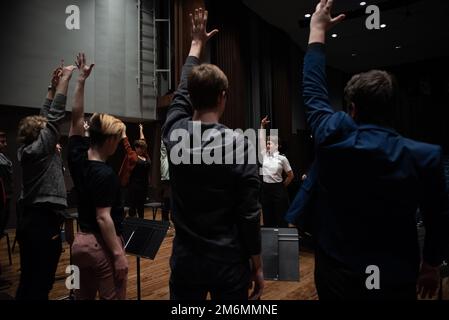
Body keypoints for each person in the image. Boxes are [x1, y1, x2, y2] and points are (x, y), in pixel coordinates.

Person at [301, 0, 449, 300]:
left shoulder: (331, 139)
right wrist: (431, 265)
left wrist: (317, 32)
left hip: (337, 271)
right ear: (393, 109)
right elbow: (438, 219)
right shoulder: (427, 156)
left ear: (352, 108)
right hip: (396, 272)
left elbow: (313, 91)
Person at [162, 8, 264, 300]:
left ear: (191, 98)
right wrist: (256, 263)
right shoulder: (240, 145)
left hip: (185, 262)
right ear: (222, 97)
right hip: (228, 263)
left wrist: (195, 46)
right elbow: (248, 214)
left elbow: (182, 92)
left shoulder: (174, 134)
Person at [67, 53, 128, 300]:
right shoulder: (105, 174)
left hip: (79, 244)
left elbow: (76, 118)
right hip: (101, 245)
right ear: (111, 140)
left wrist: (81, 81)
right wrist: (118, 254)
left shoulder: (78, 155)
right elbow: (103, 218)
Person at [15, 64, 76, 300]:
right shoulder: (41, 147)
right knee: (40, 284)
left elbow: (44, 118)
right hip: (42, 223)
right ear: (41, 136)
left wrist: (51, 87)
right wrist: (65, 81)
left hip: (31, 221)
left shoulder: (28, 148)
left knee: (29, 281)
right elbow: (54, 116)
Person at [259, 116, 294, 227]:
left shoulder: (282, 158)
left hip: (278, 189)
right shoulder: (264, 155)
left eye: (270, 143)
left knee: (280, 216)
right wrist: (262, 125)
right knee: (268, 217)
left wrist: (282, 186)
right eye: (267, 143)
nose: (268, 145)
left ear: (277, 145)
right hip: (265, 189)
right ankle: (270, 242)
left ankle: (282, 242)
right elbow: (261, 139)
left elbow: (290, 175)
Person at [119, 124, 151, 219]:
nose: (141, 149)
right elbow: (126, 144)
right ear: (136, 148)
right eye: (139, 148)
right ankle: (131, 224)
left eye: (142, 148)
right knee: (133, 206)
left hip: (144, 185)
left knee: (141, 207)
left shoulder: (145, 156)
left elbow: (143, 140)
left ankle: (141, 223)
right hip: (134, 185)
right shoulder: (132, 155)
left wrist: (141, 129)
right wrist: (123, 131)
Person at [160, 139, 171, 222]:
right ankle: (165, 219)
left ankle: (166, 219)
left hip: (169, 178)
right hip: (167, 178)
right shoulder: (164, 157)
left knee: (168, 199)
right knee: (166, 199)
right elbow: (163, 148)